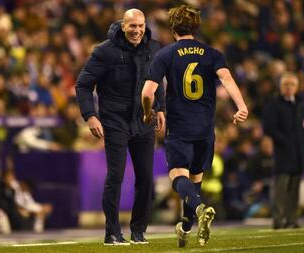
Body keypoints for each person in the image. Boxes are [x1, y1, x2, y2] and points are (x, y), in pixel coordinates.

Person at [141, 5, 248, 247]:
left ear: (172, 28)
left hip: (179, 127)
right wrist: (241, 106)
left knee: (178, 177)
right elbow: (227, 79)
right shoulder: (212, 53)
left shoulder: (165, 54)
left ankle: (200, 209)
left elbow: (147, 92)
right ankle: (187, 228)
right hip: (205, 129)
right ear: (197, 27)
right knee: (195, 180)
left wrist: (148, 113)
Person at [75, 9, 166, 245]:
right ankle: (112, 232)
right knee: (116, 176)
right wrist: (90, 116)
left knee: (146, 177)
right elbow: (83, 85)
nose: (137, 31)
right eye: (132, 26)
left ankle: (138, 231)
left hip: (144, 119)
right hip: (114, 120)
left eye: (141, 26)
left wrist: (162, 108)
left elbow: (157, 82)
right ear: (123, 26)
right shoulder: (104, 51)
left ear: (146, 26)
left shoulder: (153, 48)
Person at [263, 73, 304, 229]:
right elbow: (268, 127)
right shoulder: (274, 104)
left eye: (292, 84)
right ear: (281, 86)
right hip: (283, 152)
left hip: (298, 153)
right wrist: (284, 141)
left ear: (297, 87)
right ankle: (279, 219)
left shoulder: (300, 104)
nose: (289, 87)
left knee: (295, 188)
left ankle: (292, 219)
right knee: (281, 187)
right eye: (286, 84)